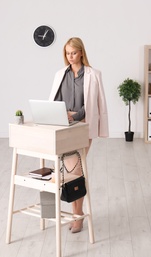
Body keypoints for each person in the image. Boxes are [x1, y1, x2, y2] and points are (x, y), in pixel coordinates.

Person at [49, 37, 109, 233]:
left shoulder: (94, 74)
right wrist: (61, 114)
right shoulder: (61, 74)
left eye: (73, 53)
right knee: (70, 171)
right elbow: (55, 100)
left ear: (81, 52)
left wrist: (75, 114)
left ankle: (78, 216)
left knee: (74, 169)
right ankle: (74, 214)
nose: (70, 57)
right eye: (67, 53)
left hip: (82, 126)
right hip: (64, 126)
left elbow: (94, 104)